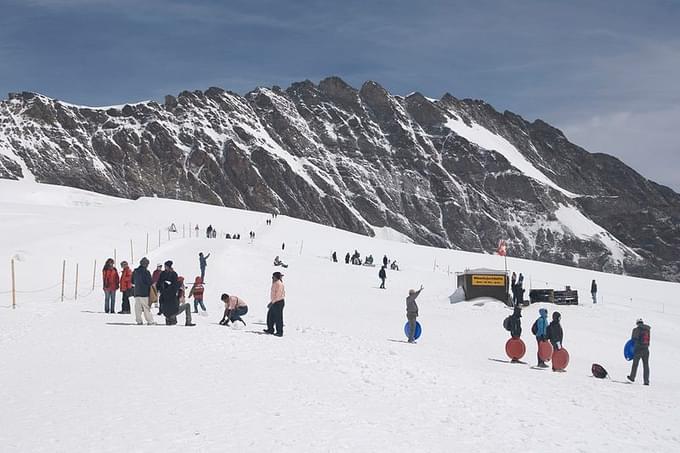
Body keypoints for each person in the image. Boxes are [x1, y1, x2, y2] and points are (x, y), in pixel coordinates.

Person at [158, 261, 195, 326]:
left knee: (168, 307)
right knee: (186, 305)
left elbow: (160, 301)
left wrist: (161, 311)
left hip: (166, 312)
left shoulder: (162, 292)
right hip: (174, 310)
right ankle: (188, 322)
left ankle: (169, 320)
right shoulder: (174, 287)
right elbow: (177, 288)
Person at [132, 257, 155, 325]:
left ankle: (139, 321)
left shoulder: (135, 271)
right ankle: (150, 321)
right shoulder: (146, 272)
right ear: (145, 264)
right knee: (146, 307)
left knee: (137, 308)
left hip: (136, 292)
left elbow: (132, 281)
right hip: (144, 292)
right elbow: (150, 282)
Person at [627, 319, 651, 385]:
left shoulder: (636, 330)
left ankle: (632, 377)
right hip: (646, 350)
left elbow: (633, 340)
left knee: (635, 364)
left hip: (638, 349)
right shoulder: (647, 330)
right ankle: (646, 381)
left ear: (637, 323)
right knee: (646, 366)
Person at [264, 272, 285, 336]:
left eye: (273, 277)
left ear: (276, 277)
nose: (272, 278)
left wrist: (272, 303)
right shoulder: (275, 283)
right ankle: (270, 329)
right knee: (270, 316)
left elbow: (278, 295)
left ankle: (279, 332)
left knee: (278, 318)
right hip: (275, 302)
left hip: (278, 302)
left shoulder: (279, 284)